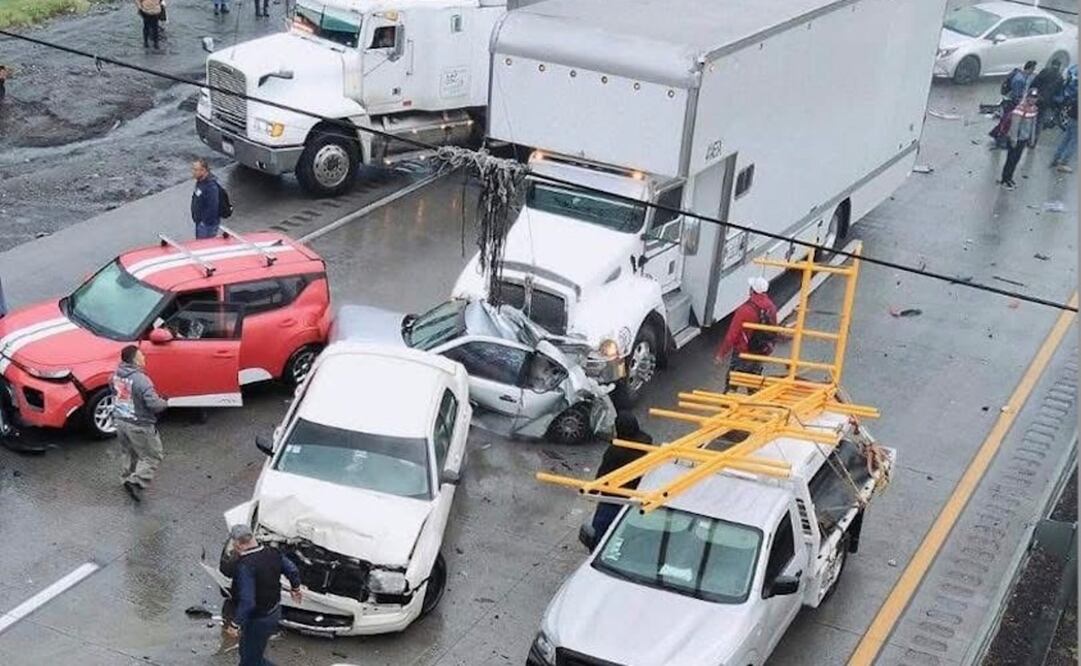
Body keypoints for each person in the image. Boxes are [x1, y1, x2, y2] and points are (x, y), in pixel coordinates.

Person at [223, 524, 303, 666]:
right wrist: (295, 588)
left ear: (237, 544)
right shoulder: (273, 552)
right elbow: (292, 569)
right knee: (249, 653)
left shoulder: (245, 566)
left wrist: (235, 625)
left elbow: (248, 602)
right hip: (274, 610)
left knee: (250, 660)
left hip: (258, 619)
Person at [111, 345, 168, 502]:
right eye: (142, 355)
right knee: (152, 456)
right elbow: (154, 405)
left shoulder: (115, 375)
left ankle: (126, 478)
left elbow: (115, 392)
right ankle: (136, 482)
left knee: (129, 452)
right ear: (135, 359)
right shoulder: (141, 380)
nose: (144, 358)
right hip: (139, 425)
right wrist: (165, 402)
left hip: (120, 421)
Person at [588, 412, 654, 542]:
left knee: (601, 528)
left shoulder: (616, 451)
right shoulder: (646, 442)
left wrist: (592, 490)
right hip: (636, 494)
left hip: (613, 496)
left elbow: (604, 472)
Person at [714, 276, 778, 392]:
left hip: (742, 353)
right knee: (753, 387)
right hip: (759, 353)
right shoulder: (771, 308)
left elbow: (731, 336)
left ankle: (728, 405)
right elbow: (773, 331)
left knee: (732, 385)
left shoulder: (745, 310)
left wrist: (721, 354)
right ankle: (753, 408)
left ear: (752, 291)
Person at [991, 61, 1037, 148]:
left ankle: (997, 135)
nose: (1033, 71)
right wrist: (1019, 104)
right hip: (1010, 103)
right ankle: (999, 139)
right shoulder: (1020, 80)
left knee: (1005, 121)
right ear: (1029, 69)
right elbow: (1016, 95)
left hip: (1008, 101)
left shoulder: (1020, 75)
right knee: (1007, 122)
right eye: (1033, 69)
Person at [1000, 89, 1039, 190]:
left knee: (1016, 159)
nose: (1033, 100)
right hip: (1016, 139)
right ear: (1027, 97)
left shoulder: (1034, 109)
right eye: (1031, 97)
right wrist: (1013, 139)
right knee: (1011, 159)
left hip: (1023, 139)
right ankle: (1005, 179)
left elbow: (1033, 125)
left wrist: (1032, 138)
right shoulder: (1020, 109)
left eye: (1035, 98)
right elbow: (1015, 125)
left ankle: (1010, 178)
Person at [191, 159, 222, 239]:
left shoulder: (211, 187)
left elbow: (213, 206)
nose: (193, 172)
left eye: (195, 170)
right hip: (200, 222)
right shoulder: (200, 182)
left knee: (203, 246)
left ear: (203, 170)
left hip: (207, 226)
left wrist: (204, 222)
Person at [1051, 92, 1077, 173]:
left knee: (1066, 139)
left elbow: (1072, 100)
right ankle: (1063, 163)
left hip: (1071, 117)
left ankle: (1056, 158)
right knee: (1073, 142)